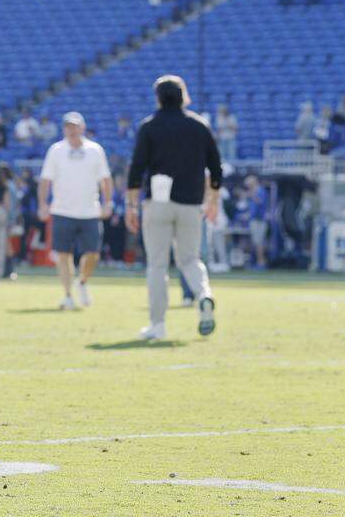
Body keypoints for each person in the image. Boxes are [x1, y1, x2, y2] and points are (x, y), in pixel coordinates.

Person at [126, 75, 222, 341]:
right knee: (190, 259)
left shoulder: (149, 127)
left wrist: (131, 205)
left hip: (158, 202)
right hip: (191, 203)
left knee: (157, 265)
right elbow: (216, 167)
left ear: (158, 97)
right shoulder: (199, 126)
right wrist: (212, 200)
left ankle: (158, 325)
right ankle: (204, 295)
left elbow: (136, 169)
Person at [38, 112, 111, 309]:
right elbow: (46, 179)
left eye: (75, 126)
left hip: (89, 211)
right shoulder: (56, 150)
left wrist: (107, 202)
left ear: (82, 127)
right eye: (68, 127)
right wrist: (43, 204)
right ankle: (68, 294)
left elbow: (105, 179)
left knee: (93, 253)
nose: (71, 130)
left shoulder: (95, 150)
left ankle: (82, 281)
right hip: (62, 209)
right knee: (63, 254)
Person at [244, 174, 268, 268]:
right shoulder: (253, 191)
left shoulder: (261, 191)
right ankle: (258, 261)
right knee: (255, 242)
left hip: (260, 220)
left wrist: (251, 194)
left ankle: (261, 262)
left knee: (259, 242)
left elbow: (260, 202)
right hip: (254, 220)